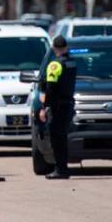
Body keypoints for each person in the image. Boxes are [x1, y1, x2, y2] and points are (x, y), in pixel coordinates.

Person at [39, 35, 77, 180]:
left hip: (58, 106)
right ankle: (63, 168)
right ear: (66, 47)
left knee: (56, 139)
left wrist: (44, 107)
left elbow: (50, 88)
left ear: (54, 48)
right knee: (62, 138)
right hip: (68, 104)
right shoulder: (71, 63)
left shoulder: (55, 65)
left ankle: (60, 170)